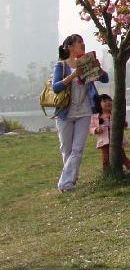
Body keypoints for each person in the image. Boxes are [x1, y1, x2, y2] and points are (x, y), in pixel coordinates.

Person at [51, 33, 109, 192]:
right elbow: (56, 88)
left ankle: (65, 184)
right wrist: (73, 75)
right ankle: (71, 178)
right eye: (79, 43)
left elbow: (105, 79)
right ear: (70, 47)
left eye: (83, 42)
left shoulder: (87, 64)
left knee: (77, 149)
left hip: (84, 111)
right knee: (67, 150)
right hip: (65, 113)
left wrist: (98, 68)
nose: (82, 45)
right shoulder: (61, 66)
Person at [91, 93, 130, 172]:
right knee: (105, 157)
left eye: (109, 100)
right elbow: (91, 127)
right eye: (104, 101)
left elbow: (124, 124)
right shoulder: (96, 117)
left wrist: (123, 122)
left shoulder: (115, 114)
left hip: (116, 139)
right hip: (104, 141)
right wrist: (96, 130)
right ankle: (107, 173)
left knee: (121, 155)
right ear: (99, 105)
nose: (108, 102)